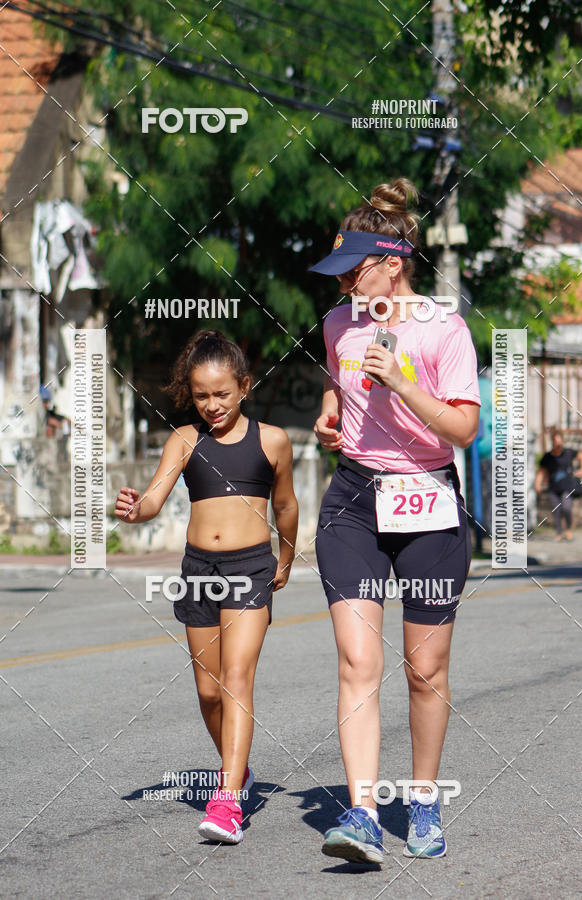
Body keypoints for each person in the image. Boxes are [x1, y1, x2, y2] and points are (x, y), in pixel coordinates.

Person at [309, 177, 480, 862]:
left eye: (353, 268)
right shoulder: (337, 323)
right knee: (358, 660)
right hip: (354, 497)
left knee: (424, 670)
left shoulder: (445, 328)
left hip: (429, 501)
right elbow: (337, 378)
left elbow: (463, 428)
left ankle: (425, 800)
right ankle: (359, 813)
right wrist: (330, 411)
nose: (345, 283)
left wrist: (404, 382)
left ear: (393, 260)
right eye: (338, 273)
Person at [114, 331, 298, 843]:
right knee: (208, 691)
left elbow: (285, 506)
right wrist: (136, 510)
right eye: (201, 396)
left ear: (244, 386)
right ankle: (237, 769)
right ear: (189, 395)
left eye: (221, 393)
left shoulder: (272, 440)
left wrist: (285, 558)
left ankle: (227, 800)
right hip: (199, 571)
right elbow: (154, 498)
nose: (212, 405)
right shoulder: (185, 439)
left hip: (249, 568)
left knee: (237, 678)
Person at [535, 428, 582, 541]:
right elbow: (541, 471)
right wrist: (537, 484)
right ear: (552, 442)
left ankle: (568, 529)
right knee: (556, 510)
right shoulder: (548, 457)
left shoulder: (568, 453)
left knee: (567, 507)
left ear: (562, 441)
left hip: (567, 487)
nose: (558, 443)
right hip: (553, 488)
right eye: (556, 441)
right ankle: (559, 533)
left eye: (560, 441)